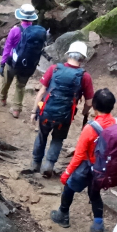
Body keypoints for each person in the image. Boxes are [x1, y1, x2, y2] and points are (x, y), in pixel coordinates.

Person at [51, 88, 117, 232]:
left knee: (69, 186)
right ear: (112, 106)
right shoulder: (116, 124)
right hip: (104, 169)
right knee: (94, 194)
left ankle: (63, 215)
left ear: (94, 106)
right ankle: (98, 228)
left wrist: (67, 173)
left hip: (88, 167)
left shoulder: (91, 128)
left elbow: (79, 155)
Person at [29, 41, 94, 177]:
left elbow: (42, 92)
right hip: (65, 116)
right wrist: (84, 112)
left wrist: (34, 111)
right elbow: (89, 101)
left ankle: (35, 163)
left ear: (68, 54)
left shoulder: (54, 69)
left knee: (41, 136)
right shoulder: (85, 76)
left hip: (46, 111)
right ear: (82, 58)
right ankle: (49, 165)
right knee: (57, 139)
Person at [0, 3, 47, 119]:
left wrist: (2, 63)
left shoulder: (15, 30)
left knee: (7, 80)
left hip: (12, 62)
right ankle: (16, 109)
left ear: (21, 17)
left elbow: (7, 47)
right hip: (28, 65)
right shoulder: (37, 32)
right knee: (20, 86)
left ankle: (3, 98)